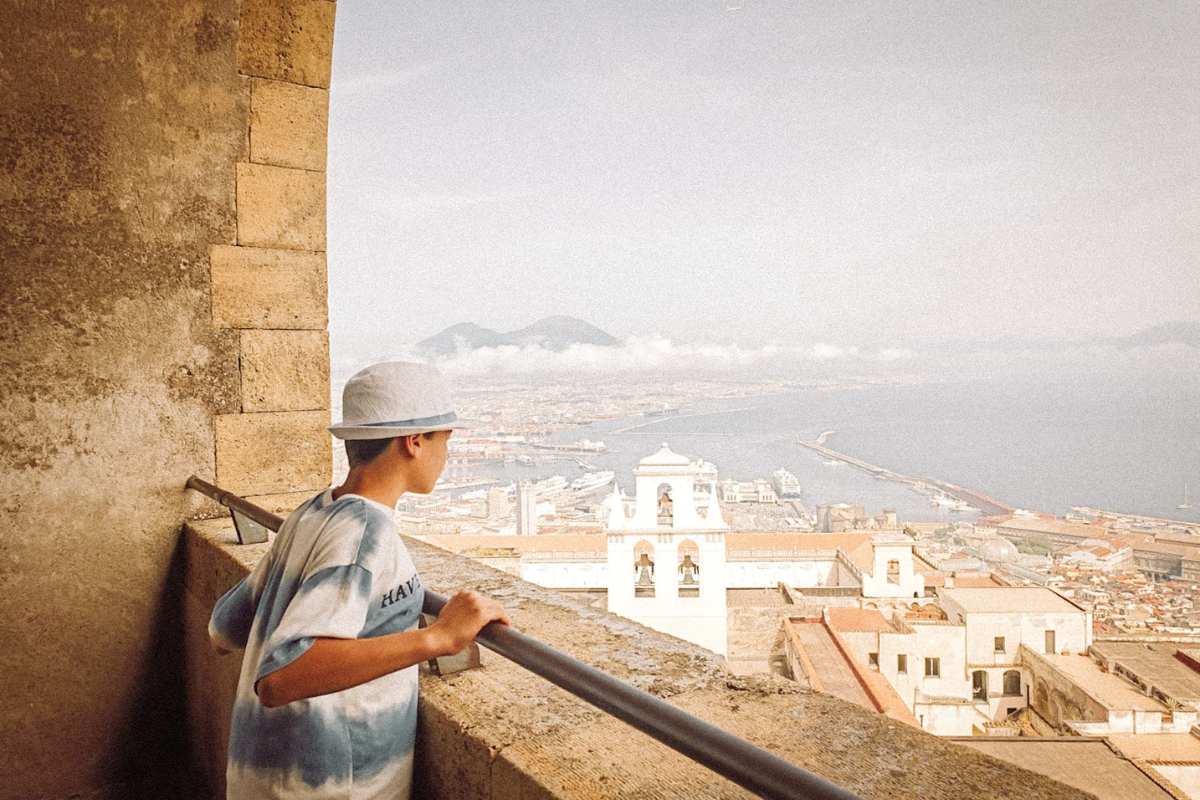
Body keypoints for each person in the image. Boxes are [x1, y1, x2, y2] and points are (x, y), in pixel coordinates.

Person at [208, 361, 510, 799]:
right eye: (445, 439)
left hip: (261, 778)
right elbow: (280, 678)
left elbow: (224, 628)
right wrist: (438, 638)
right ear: (415, 441)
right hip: (327, 786)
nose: (446, 454)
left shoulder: (313, 513)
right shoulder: (366, 533)